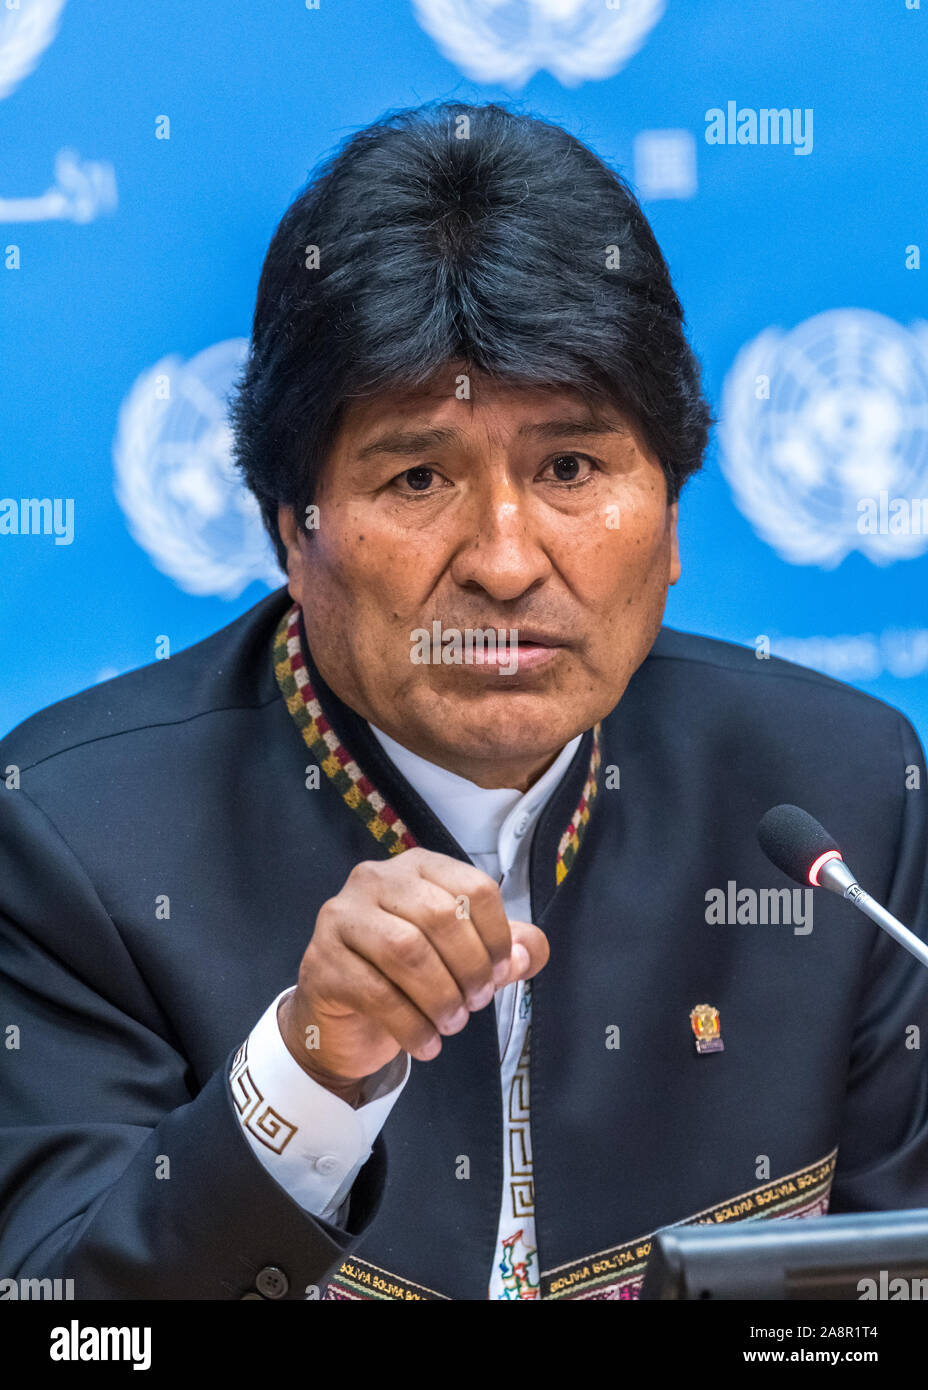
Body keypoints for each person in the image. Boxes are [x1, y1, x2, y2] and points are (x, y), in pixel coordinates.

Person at [1, 101, 926, 1302]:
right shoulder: (74, 839)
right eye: (419, 475)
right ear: (293, 527)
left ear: (675, 512)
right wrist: (308, 1072)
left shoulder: (834, 799)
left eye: (570, 469)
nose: (503, 557)